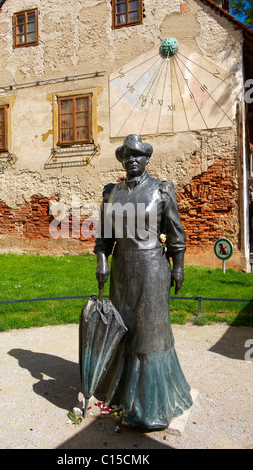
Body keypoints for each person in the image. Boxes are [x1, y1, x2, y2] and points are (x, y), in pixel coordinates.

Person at [94, 134, 193, 429]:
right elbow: (104, 237)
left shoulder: (160, 191)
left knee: (150, 334)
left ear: (147, 159)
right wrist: (102, 262)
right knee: (124, 330)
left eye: (137, 156)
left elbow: (176, 234)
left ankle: (152, 406)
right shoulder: (112, 193)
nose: (131, 161)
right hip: (122, 270)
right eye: (126, 157)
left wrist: (179, 267)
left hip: (152, 269)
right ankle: (121, 396)